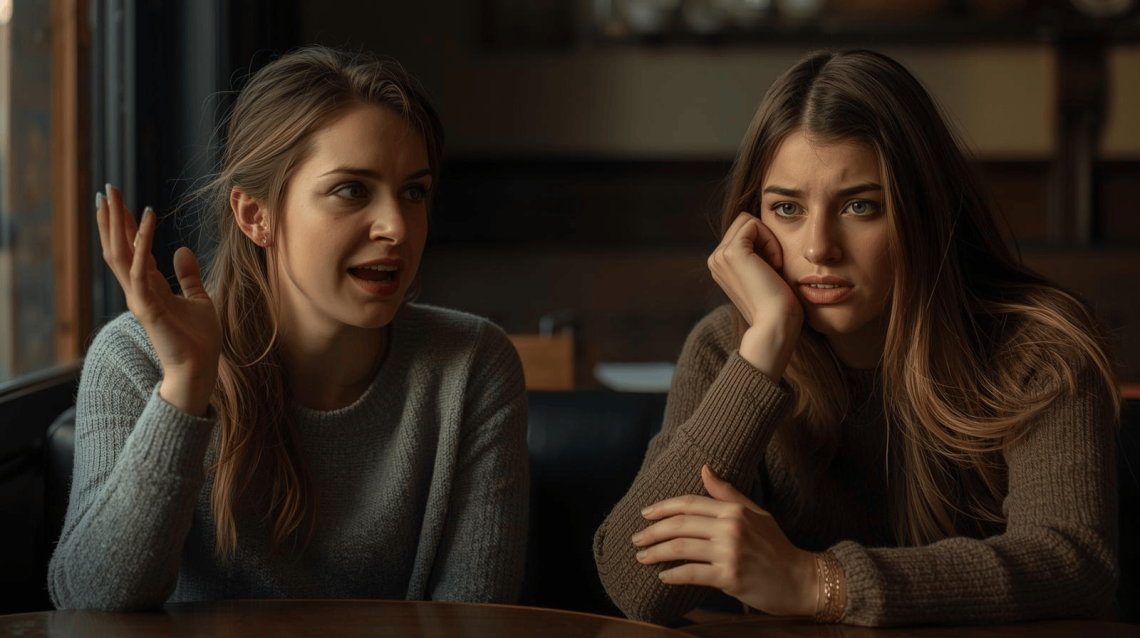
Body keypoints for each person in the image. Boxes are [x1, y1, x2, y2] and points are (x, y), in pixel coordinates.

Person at [593, 49, 1120, 627]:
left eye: (861, 206)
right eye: (787, 208)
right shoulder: (729, 348)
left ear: (923, 214)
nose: (819, 247)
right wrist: (764, 350)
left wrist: (816, 581)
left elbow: (1075, 568)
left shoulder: (1039, 346)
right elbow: (635, 586)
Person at [48, 45, 529, 610]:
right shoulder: (134, 358)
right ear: (256, 216)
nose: (397, 227)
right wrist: (184, 389)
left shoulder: (472, 362)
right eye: (352, 189)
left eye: (413, 192)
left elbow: (476, 619)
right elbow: (85, 603)